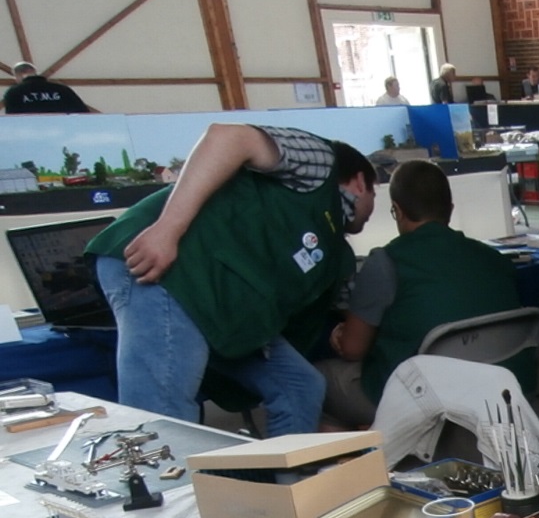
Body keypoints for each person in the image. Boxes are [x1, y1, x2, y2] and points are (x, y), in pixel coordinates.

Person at [86, 123, 377, 437]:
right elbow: (228, 137)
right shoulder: (321, 163)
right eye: (375, 195)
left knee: (299, 387)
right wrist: (168, 229)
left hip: (221, 303)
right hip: (171, 269)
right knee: (164, 413)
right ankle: (161, 469)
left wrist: (342, 329)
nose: (373, 211)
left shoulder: (335, 253)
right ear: (360, 182)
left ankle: (288, 469)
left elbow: (344, 312)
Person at [317, 159, 532, 427]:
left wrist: (341, 334)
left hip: (420, 403)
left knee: (310, 382)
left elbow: (352, 349)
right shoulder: (496, 260)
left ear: (398, 211)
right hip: (502, 395)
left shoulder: (385, 262)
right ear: (450, 209)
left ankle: (371, 447)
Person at [3, 61, 92, 113]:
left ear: (17, 75)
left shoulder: (14, 92)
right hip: (63, 132)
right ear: (35, 72)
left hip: (30, 133)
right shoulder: (62, 89)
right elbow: (83, 113)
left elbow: (12, 118)